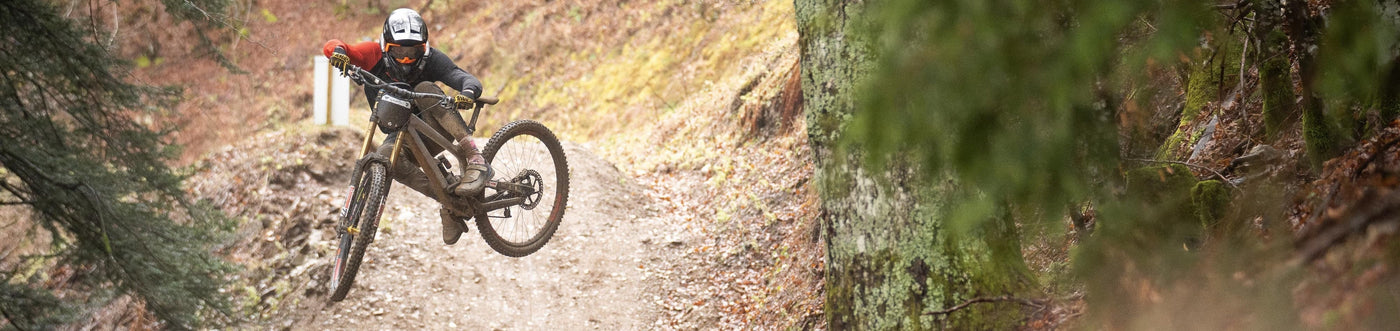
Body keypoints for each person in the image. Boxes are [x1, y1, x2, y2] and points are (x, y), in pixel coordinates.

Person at [322, 8, 487, 245]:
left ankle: (473, 156)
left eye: (413, 51)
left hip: (434, 127)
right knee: (386, 158)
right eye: (399, 51)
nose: (407, 58)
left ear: (424, 47)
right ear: (385, 45)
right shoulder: (372, 54)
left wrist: (468, 93)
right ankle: (452, 203)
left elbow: (463, 78)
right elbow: (337, 45)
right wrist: (338, 53)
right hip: (400, 136)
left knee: (424, 88)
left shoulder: (433, 59)